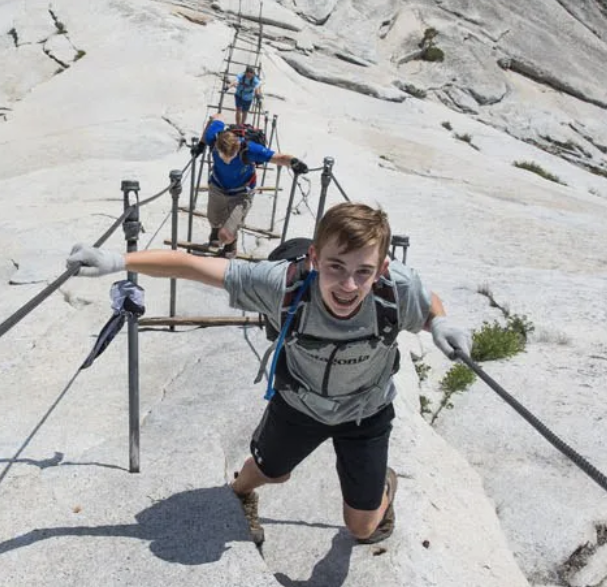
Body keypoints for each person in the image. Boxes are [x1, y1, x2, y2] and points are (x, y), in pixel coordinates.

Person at [67, 203, 473, 544]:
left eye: (363, 272)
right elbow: (193, 266)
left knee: (363, 528)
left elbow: (426, 301)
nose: (349, 284)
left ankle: (382, 484)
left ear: (382, 267)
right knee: (265, 473)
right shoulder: (279, 285)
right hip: (298, 403)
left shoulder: (395, 288)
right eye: (335, 267)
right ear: (314, 258)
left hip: (365, 412)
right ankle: (240, 494)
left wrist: (439, 323)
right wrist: (118, 261)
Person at [192, 118, 303, 257]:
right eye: (224, 156)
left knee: (225, 234)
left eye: (232, 156)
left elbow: (278, 157)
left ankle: (230, 244)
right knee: (213, 217)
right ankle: (215, 231)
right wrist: (202, 144)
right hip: (217, 185)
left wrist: (294, 162)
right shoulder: (213, 138)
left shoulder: (249, 149)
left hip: (241, 192)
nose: (229, 160)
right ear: (217, 148)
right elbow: (216, 118)